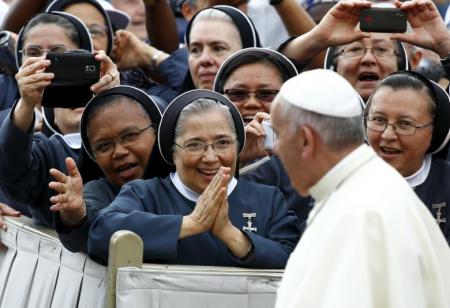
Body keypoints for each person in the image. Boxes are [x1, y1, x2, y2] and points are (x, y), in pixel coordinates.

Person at [271, 69, 450, 308]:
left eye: (278, 135)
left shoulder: (361, 212)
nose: (275, 149)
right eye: (378, 120)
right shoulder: (360, 192)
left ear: (306, 140)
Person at [88, 89, 300, 266]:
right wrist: (192, 223)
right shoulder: (145, 194)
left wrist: (231, 235)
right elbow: (101, 235)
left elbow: (294, 263)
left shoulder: (267, 199)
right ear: (172, 152)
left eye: (223, 142)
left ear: (238, 146)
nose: (210, 157)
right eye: (194, 145)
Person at [0, 12, 119, 227]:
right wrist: (26, 104)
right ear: (52, 118)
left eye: (57, 54)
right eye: (33, 52)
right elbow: (11, 170)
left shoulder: (120, 97)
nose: (44, 62)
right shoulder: (45, 150)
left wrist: (117, 99)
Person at [48, 86, 171, 252]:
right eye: (104, 146)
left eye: (130, 136)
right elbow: (91, 230)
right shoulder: (99, 192)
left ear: (156, 131)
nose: (119, 152)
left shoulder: (186, 181)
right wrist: (76, 216)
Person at [213, 47, 311, 226]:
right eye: (238, 94)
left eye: (266, 94)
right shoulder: (193, 152)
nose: (251, 103)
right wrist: (236, 160)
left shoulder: (310, 160)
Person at [280, 0, 450, 102]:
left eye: (381, 49)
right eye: (354, 49)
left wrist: (444, 43)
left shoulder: (431, 118)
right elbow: (273, 77)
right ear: (334, 66)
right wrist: (318, 38)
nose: (368, 58)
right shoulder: (310, 120)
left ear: (402, 65)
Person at [364, 71, 450, 244]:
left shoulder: (446, 184)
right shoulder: (342, 182)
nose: (388, 135)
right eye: (378, 120)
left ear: (434, 131)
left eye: (405, 124)